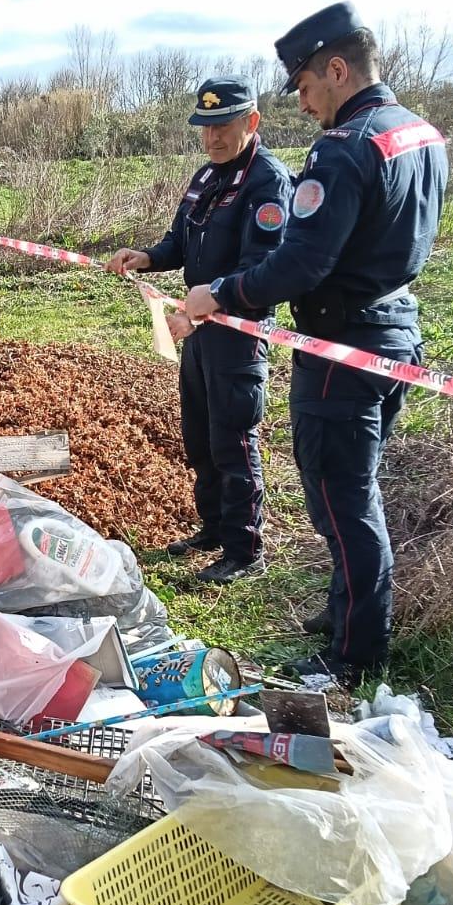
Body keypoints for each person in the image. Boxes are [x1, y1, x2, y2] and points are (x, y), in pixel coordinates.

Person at [181, 3, 448, 686]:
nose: (302, 101)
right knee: (353, 492)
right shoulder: (418, 134)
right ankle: (344, 611)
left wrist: (224, 292)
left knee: (343, 502)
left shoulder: (345, 146)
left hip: (340, 348)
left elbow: (300, 264)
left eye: (304, 85)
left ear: (338, 68)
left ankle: (356, 654)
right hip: (395, 335)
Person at [106, 75, 291, 585]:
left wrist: (203, 310)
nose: (212, 138)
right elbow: (179, 244)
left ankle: (245, 547)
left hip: (238, 333)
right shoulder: (207, 177)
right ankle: (213, 528)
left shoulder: (268, 182)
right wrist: (145, 257)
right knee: (201, 437)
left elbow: (265, 266)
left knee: (233, 439)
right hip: (198, 331)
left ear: (251, 122)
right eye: (205, 128)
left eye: (223, 126)